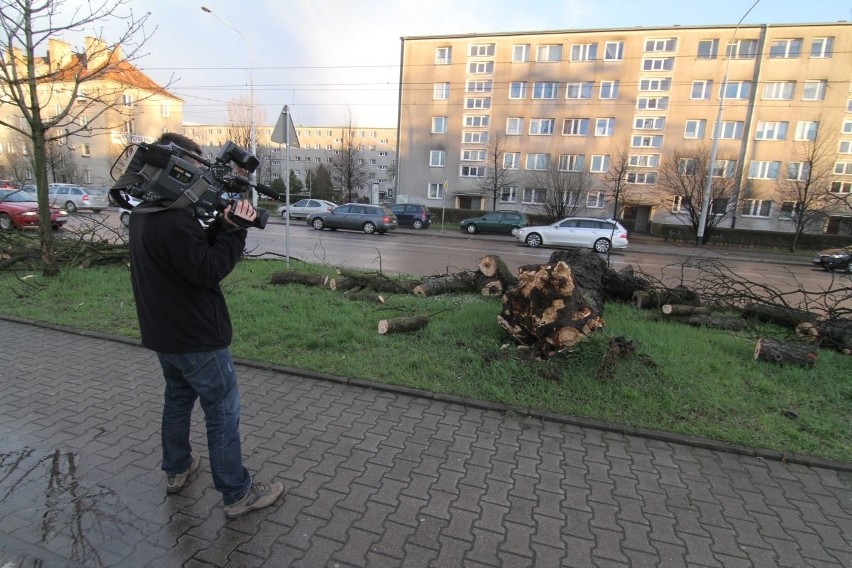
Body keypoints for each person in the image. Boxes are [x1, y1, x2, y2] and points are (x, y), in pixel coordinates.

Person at [126, 132, 283, 519]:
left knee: (177, 400)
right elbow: (207, 269)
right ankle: (237, 493)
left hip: (164, 333)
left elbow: (189, 256)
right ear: (176, 164)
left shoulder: (149, 213)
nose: (201, 173)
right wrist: (238, 231)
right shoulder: (175, 220)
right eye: (195, 165)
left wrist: (223, 225)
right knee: (222, 410)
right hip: (196, 336)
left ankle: (177, 470)